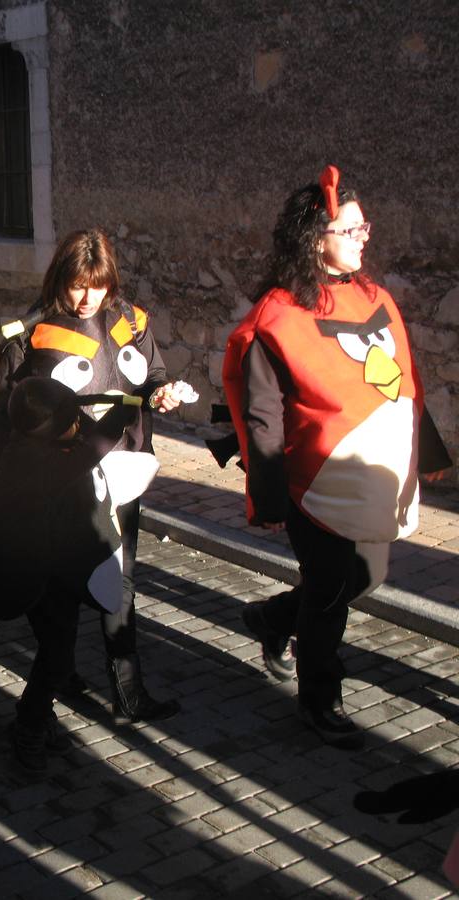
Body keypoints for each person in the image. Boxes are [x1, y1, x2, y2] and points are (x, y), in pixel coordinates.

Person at [223, 165, 451, 749]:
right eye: (351, 229)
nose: (363, 237)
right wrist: (268, 494)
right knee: (328, 590)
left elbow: (399, 383)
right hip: (311, 481)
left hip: (368, 475)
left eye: (363, 227)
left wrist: (426, 451)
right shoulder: (277, 314)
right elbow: (263, 414)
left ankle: (272, 618)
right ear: (314, 237)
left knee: (367, 575)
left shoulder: (375, 298)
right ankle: (319, 700)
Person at [0, 228, 185, 723]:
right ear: (60, 277)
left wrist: (163, 394)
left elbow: (152, 376)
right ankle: (61, 675)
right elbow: (5, 409)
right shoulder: (29, 330)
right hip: (61, 478)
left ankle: (128, 692)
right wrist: (12, 479)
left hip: (123, 468)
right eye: (77, 285)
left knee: (120, 579)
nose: (86, 297)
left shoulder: (131, 321)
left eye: (97, 285)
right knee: (61, 584)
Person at [0, 378, 151, 771]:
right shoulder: (30, 461)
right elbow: (92, 449)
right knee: (56, 656)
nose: (80, 425)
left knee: (57, 647)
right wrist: (121, 413)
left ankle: (40, 715)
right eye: (72, 420)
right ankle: (28, 725)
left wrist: (120, 404)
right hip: (34, 575)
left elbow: (87, 440)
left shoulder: (37, 442)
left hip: (58, 570)